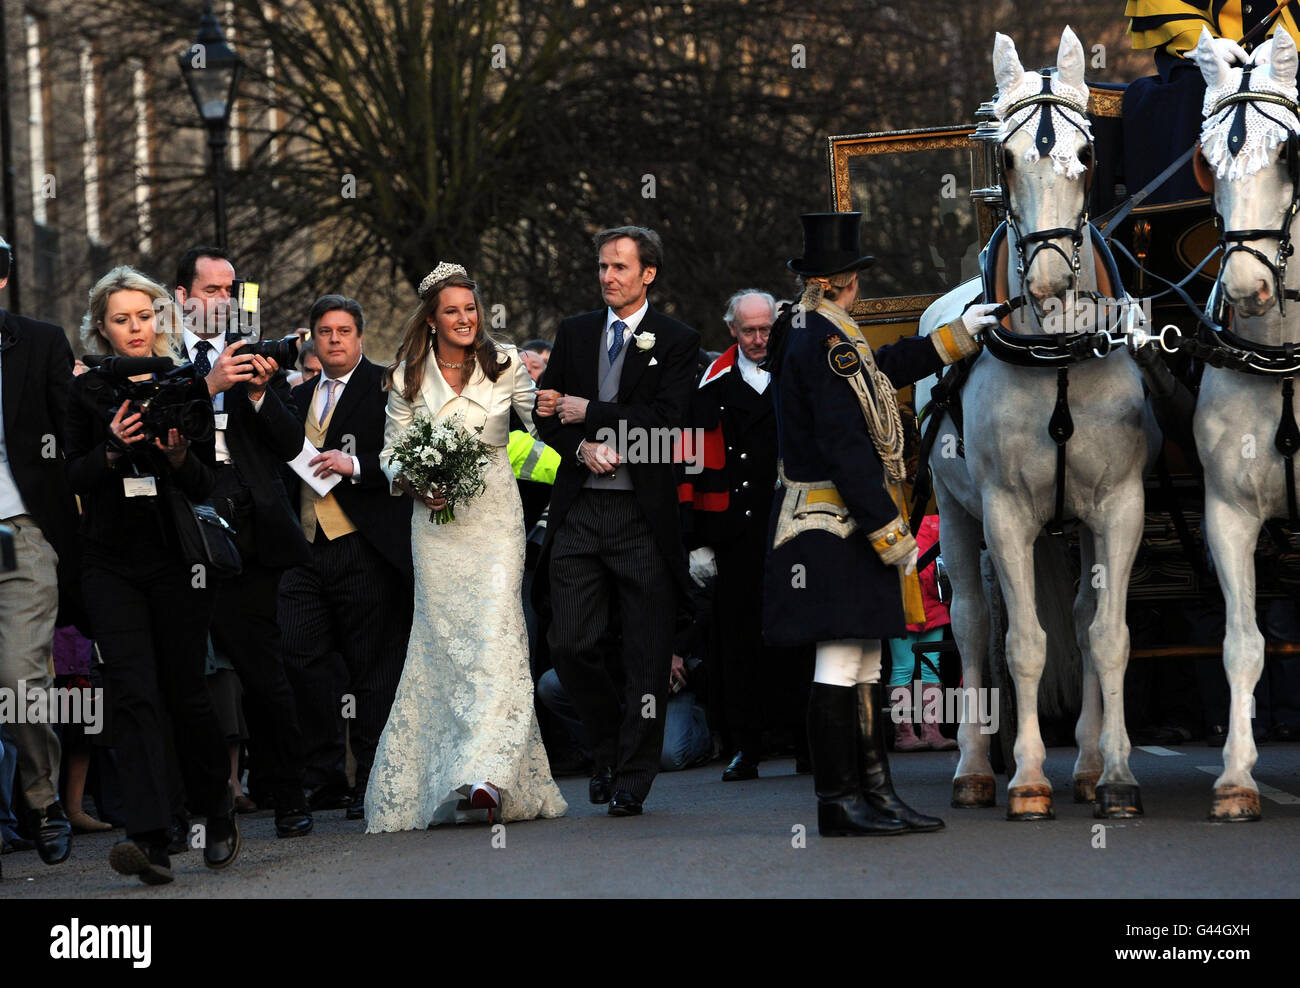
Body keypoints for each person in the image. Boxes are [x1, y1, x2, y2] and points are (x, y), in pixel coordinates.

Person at [763, 212, 998, 837]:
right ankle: (841, 802)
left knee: (865, 660)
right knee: (841, 661)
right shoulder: (823, 338)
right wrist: (889, 530)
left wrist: (955, 336)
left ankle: (875, 795)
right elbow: (846, 447)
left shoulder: (822, 329)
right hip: (833, 523)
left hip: (840, 521)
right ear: (846, 281)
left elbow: (880, 371)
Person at [365, 263, 566, 830]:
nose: (464, 319)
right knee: (444, 643)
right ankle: (449, 771)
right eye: (451, 310)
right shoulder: (406, 375)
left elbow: (542, 420)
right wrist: (413, 477)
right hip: (435, 530)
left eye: (471, 309)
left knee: (496, 631)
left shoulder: (503, 364)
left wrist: (579, 423)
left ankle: (487, 773)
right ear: (432, 319)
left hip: (498, 521)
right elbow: (390, 452)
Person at [67, 265, 238, 884]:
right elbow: (68, 477)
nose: (134, 328)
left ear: (159, 318)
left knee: (185, 691)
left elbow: (204, 486)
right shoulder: (83, 389)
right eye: (120, 319)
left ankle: (215, 812)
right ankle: (150, 839)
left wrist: (176, 455)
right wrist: (110, 450)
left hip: (177, 560)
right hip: (108, 560)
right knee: (134, 694)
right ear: (102, 327)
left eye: (143, 316)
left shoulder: (185, 382)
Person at [533, 225, 700, 816]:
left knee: (646, 658)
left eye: (620, 268)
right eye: (603, 267)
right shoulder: (576, 333)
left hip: (642, 516)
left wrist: (594, 415)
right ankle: (606, 748)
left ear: (647, 274)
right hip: (580, 510)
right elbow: (547, 411)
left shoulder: (677, 340)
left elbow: (668, 422)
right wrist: (578, 446)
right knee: (570, 644)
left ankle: (632, 775)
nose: (608, 277)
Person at [173, 246, 314, 837]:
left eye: (231, 291)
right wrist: (208, 385)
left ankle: (288, 796)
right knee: (180, 672)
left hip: (250, 527)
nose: (224, 301)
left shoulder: (253, 354)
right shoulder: (158, 352)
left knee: (263, 667)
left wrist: (257, 391)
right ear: (182, 298)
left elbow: (288, 444)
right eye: (211, 291)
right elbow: (158, 423)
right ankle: (186, 807)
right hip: (182, 524)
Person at [279, 295, 413, 823]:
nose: (333, 339)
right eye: (324, 331)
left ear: (359, 337)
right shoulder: (296, 395)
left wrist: (354, 464)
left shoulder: (389, 386)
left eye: (343, 331)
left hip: (364, 542)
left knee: (372, 667)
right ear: (312, 338)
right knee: (298, 656)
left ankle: (373, 778)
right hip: (301, 545)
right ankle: (326, 773)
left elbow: (410, 455)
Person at [681, 289, 812, 782]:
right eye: (749, 330)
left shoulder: (799, 374)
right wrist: (696, 540)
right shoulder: (708, 388)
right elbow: (690, 463)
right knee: (738, 643)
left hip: (794, 524)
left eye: (766, 330)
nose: (759, 340)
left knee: (801, 636)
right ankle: (747, 747)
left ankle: (807, 742)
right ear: (731, 331)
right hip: (734, 532)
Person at [0, 234, 78, 869]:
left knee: (19, 679)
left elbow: (74, 434)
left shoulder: (39, 341)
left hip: (20, 532)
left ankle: (43, 798)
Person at [1124, 1, 1300, 204]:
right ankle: (1182, 221)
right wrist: (1200, 40)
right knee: (1188, 93)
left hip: (1292, 54)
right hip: (1205, 58)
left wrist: (1286, 43)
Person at [887, 515, 957, 752]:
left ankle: (931, 731)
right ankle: (905, 734)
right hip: (902, 605)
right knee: (903, 667)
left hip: (932, 604)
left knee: (930, 666)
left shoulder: (936, 519)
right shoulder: (895, 515)